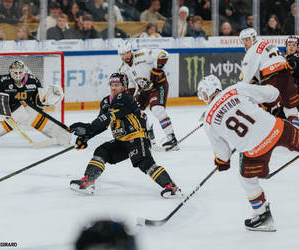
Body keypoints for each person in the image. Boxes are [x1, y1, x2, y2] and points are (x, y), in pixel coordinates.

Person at [197, 74, 299, 232]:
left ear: (205, 94)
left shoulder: (208, 122)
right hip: (278, 130)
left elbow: (223, 155)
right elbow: (271, 94)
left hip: (255, 151)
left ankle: (262, 215)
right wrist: (272, 102)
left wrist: (221, 163)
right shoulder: (235, 88)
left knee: (246, 179)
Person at [69, 72, 182, 198]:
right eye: (112, 84)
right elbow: (102, 123)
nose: (113, 87)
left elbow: (109, 116)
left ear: (124, 86)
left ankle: (171, 187)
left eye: (117, 85)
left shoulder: (126, 98)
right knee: (102, 151)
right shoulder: (106, 101)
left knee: (145, 163)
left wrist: (88, 128)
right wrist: (86, 136)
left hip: (137, 138)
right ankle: (88, 181)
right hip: (121, 141)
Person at [0, 60, 71, 148]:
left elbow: (38, 102)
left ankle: (63, 136)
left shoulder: (33, 80)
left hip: (28, 110)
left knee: (36, 115)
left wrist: (48, 98)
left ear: (24, 72)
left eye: (20, 72)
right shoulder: (2, 80)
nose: (18, 74)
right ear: (10, 72)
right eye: (15, 72)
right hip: (7, 112)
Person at [117, 40, 178, 150]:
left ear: (131, 51)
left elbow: (164, 54)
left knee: (157, 109)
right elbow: (131, 85)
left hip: (159, 84)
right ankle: (149, 138)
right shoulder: (123, 69)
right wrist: (129, 98)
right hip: (144, 90)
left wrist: (157, 69)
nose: (125, 56)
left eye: (127, 53)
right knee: (136, 111)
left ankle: (171, 138)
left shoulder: (143, 54)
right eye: (122, 54)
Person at [239, 27, 299, 124]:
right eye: (243, 41)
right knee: (290, 108)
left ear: (253, 38)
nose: (244, 43)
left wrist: (239, 90)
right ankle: (295, 126)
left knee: (267, 106)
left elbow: (246, 78)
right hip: (286, 75)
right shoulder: (267, 43)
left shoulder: (252, 51)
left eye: (246, 40)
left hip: (273, 79)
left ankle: (265, 127)